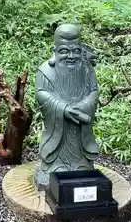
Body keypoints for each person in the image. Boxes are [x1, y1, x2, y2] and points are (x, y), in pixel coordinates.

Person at [35, 24, 99, 191]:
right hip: (58, 132)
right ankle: (56, 166)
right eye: (64, 51)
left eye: (76, 51)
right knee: (57, 167)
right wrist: (62, 108)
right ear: (55, 50)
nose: (71, 56)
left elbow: (94, 92)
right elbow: (41, 94)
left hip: (80, 125)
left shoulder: (87, 69)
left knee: (82, 165)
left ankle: (81, 163)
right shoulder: (45, 71)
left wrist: (83, 106)